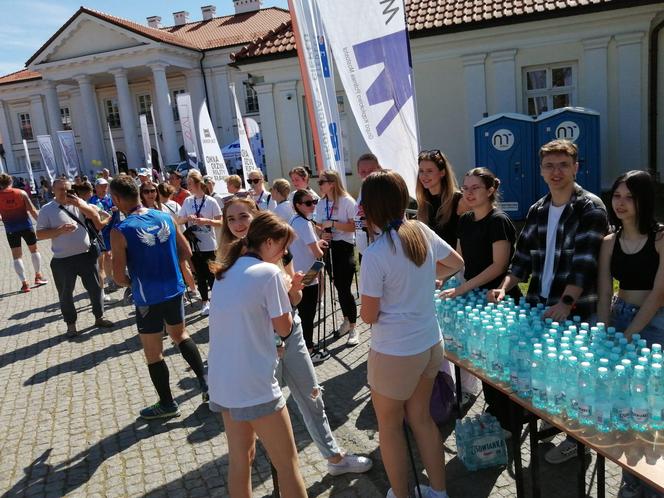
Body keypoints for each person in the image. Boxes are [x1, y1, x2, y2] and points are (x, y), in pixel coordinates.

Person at [220, 197, 373, 476]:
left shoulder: (278, 248)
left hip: (290, 335)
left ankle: (334, 457)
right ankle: (278, 464)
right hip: (259, 347)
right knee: (265, 409)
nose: (238, 224)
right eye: (231, 219)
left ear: (256, 217)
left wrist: (295, 289)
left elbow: (295, 298)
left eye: (243, 216)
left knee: (312, 395)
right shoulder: (228, 260)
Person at [488, 139, 609, 464]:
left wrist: (566, 303)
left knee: (575, 377)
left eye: (563, 165)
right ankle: (554, 423)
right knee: (548, 374)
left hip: (575, 310)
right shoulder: (538, 209)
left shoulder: (590, 208)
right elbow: (522, 258)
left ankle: (576, 440)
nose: (556, 172)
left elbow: (585, 262)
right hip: (540, 305)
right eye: (549, 166)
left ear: (576, 167)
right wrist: (504, 286)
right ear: (541, 171)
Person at [359, 170, 463, 498]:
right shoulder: (420, 230)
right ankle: (438, 491)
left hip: (395, 352)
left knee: (389, 428)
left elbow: (368, 315)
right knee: (421, 420)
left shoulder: (375, 255)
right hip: (430, 343)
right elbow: (457, 263)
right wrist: (427, 279)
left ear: (370, 207)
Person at [208, 212, 308, 498]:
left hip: (223, 381)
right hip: (255, 384)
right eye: (283, 246)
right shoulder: (269, 273)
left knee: (241, 460)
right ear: (268, 241)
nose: (285, 253)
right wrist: (292, 295)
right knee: (288, 465)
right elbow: (285, 329)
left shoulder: (225, 272)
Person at [108, 176, 208, 419]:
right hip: (174, 288)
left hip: (148, 297)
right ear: (139, 194)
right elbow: (185, 252)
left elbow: (118, 276)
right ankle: (208, 385)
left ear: (117, 199)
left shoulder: (121, 230)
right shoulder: (165, 217)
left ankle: (167, 403)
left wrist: (135, 280)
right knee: (180, 335)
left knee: (154, 352)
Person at [596, 170, 664, 498]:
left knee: (650, 407)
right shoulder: (610, 240)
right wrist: (604, 331)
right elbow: (605, 288)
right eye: (617, 196)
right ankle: (631, 477)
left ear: (643, 200)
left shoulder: (661, 238)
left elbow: (659, 293)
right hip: (620, 317)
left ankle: (653, 484)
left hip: (654, 323)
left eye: (629, 197)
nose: (620, 203)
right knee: (622, 406)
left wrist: (629, 334)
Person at [440, 167, 520, 434]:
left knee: (503, 366)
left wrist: (463, 289)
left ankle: (511, 421)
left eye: (475, 188)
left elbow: (499, 267)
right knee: (484, 362)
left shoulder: (499, 221)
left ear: (490, 190)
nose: (469, 193)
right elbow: (460, 261)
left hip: (498, 300)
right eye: (466, 187)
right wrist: (442, 276)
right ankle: (495, 413)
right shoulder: (465, 219)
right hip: (475, 299)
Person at [36, 178, 114, 337]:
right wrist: (59, 230)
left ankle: (99, 317)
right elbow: (40, 234)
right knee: (66, 294)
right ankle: (71, 325)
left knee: (95, 288)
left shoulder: (78, 203)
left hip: (86, 255)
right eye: (61, 189)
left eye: (67, 189)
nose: (65, 193)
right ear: (53, 190)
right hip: (62, 259)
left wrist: (80, 204)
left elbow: (95, 219)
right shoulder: (46, 209)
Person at [315, 170, 359, 345]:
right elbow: (318, 225)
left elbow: (356, 226)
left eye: (321, 182)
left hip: (345, 247)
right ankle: (347, 320)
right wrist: (322, 233)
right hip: (329, 247)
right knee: (338, 286)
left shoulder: (347, 201)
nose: (319, 185)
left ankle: (354, 327)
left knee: (345, 288)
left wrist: (333, 224)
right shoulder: (322, 203)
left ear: (332, 183)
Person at [290, 189, 329, 362]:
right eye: (308, 203)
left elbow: (308, 244)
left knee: (301, 311)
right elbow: (316, 252)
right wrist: (322, 248)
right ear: (298, 205)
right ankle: (310, 350)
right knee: (307, 314)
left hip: (298, 271)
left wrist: (318, 243)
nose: (313, 205)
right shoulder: (304, 223)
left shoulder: (295, 219)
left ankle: (301, 346)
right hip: (309, 273)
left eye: (314, 201)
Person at [178, 170, 222, 316]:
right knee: (201, 276)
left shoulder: (211, 201)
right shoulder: (188, 201)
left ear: (198, 184)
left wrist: (206, 221)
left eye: (190, 183)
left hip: (209, 245)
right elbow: (179, 220)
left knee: (212, 275)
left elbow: (220, 222)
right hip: (194, 245)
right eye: (187, 183)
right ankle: (204, 302)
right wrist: (188, 218)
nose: (188, 186)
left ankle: (217, 301)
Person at [0, 173, 47, 292]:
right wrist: (43, 225)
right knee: (34, 251)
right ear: (11, 182)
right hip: (26, 226)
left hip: (11, 229)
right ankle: (38, 276)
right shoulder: (21, 193)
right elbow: (32, 210)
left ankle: (24, 283)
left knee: (16, 257)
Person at [416, 149, 467, 247]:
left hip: (456, 261)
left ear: (442, 173)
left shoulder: (459, 200)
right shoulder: (423, 204)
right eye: (421, 171)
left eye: (429, 171)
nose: (424, 175)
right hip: (433, 261)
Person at [157, 182, 199, 300]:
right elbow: (182, 218)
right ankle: (194, 289)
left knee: (177, 267)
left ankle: (183, 294)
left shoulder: (160, 207)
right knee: (185, 265)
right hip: (182, 236)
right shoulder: (175, 204)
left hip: (171, 239)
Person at [89, 178, 120, 296]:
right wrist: (107, 211)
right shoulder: (92, 201)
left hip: (115, 230)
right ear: (96, 187)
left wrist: (117, 208)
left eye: (106, 186)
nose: (104, 188)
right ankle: (111, 280)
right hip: (101, 233)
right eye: (101, 186)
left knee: (116, 255)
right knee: (107, 256)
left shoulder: (112, 198)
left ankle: (117, 276)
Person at [353, 153, 382, 256]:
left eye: (371, 171)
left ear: (378, 169)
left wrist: (372, 218)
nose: (367, 175)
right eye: (363, 172)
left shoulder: (386, 190)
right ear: (358, 172)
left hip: (381, 246)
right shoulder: (363, 188)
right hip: (365, 247)